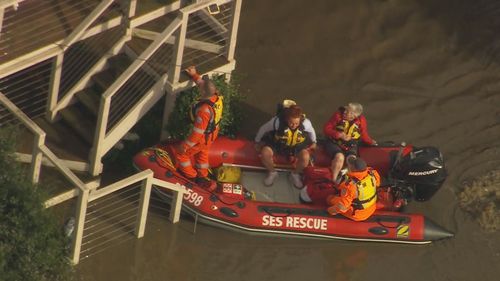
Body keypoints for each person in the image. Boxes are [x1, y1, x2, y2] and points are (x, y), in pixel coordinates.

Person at [174, 66, 223, 190]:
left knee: (182, 155)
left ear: (202, 92)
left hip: (202, 136)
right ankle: (203, 175)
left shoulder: (203, 111)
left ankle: (192, 177)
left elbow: (197, 133)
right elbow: (204, 85)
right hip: (212, 133)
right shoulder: (216, 97)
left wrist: (184, 146)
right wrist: (194, 75)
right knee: (202, 154)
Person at [255, 100, 317, 188]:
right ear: (286, 118)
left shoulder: (306, 123)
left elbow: (312, 131)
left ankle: (295, 174)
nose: (293, 125)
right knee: (265, 153)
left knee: (306, 157)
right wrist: (257, 141)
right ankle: (272, 172)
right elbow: (263, 129)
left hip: (296, 146)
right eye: (291, 123)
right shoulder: (276, 122)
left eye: (296, 123)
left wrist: (314, 142)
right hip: (278, 144)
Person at [323, 102, 376, 183]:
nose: (344, 112)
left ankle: (351, 181)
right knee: (339, 157)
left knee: (352, 160)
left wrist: (371, 142)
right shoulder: (338, 116)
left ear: (353, 115)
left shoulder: (361, 121)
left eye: (347, 111)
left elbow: (364, 135)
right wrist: (339, 134)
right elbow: (326, 129)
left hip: (351, 143)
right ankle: (333, 180)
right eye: (346, 109)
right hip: (334, 142)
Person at [326, 157, 381, 221]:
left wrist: (329, 211)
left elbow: (342, 207)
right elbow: (377, 184)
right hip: (371, 208)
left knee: (330, 199)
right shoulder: (373, 173)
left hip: (358, 214)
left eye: (349, 165)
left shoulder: (350, 186)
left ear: (353, 169)